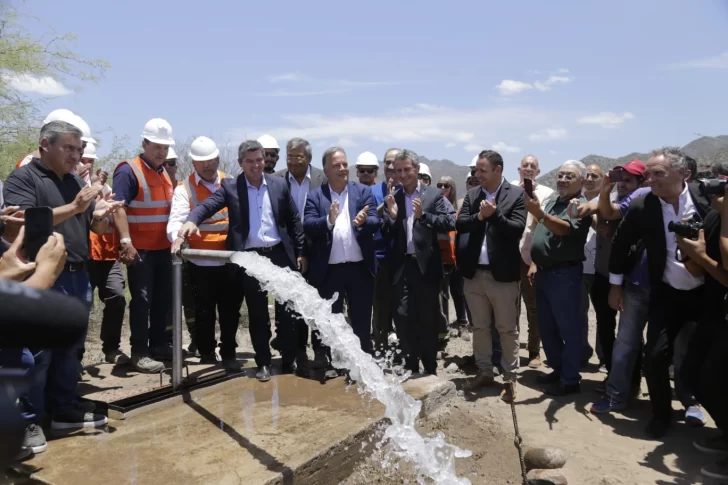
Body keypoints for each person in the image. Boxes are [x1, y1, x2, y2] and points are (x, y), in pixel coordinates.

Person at [3, 120, 118, 431]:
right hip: (42, 275)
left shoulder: (74, 182)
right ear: (45, 144)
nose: (76, 156)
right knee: (38, 353)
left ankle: (63, 408)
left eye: (79, 150)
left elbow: (91, 228)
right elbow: (20, 223)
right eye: (68, 148)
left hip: (78, 274)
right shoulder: (23, 178)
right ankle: (30, 420)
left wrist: (99, 217)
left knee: (70, 349)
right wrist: (75, 206)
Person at [178, 140, 307, 382]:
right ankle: (264, 363)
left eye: (259, 159)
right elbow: (207, 206)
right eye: (250, 161)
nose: (256, 165)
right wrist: (191, 220)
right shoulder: (231, 187)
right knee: (258, 313)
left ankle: (289, 360)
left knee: (287, 310)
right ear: (241, 164)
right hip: (251, 259)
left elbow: (293, 220)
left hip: (279, 254)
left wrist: (300, 252)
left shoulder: (279, 184)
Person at [608, 147, 711, 438]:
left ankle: (693, 404)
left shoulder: (708, 200)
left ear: (684, 175)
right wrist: (616, 286)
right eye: (648, 174)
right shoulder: (645, 205)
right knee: (654, 356)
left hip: (707, 295)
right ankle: (661, 414)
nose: (649, 180)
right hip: (666, 294)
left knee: (698, 357)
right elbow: (620, 242)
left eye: (658, 174)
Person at [456, 150, 526, 402]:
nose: (477, 175)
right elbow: (461, 223)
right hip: (474, 275)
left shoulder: (517, 195)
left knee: (507, 329)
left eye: (482, 170)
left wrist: (494, 216)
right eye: (476, 170)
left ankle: (510, 378)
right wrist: (479, 216)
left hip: (503, 276)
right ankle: (485, 371)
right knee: (480, 327)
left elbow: (516, 229)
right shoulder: (473, 195)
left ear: (498, 170)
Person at [168, 137, 241, 373]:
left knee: (230, 310)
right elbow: (176, 221)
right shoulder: (184, 189)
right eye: (202, 162)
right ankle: (207, 352)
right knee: (204, 311)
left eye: (211, 161)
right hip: (201, 261)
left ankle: (229, 352)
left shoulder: (230, 184)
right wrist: (178, 237)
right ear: (193, 163)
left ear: (218, 159)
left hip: (229, 260)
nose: (207, 166)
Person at [112, 118, 176, 373]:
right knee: (142, 300)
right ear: (144, 143)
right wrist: (126, 242)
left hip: (163, 249)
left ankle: (158, 344)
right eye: (157, 146)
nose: (162, 152)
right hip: (141, 251)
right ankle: (139, 352)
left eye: (165, 148)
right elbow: (118, 209)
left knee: (163, 299)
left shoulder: (163, 173)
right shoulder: (128, 170)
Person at [303, 147, 379, 364]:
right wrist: (328, 220)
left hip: (359, 269)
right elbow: (308, 225)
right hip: (329, 271)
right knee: (329, 320)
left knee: (361, 320)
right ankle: (327, 361)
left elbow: (375, 220)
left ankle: (362, 363)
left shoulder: (362, 192)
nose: (343, 169)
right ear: (326, 170)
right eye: (337, 165)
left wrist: (365, 222)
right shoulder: (316, 196)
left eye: (345, 164)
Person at [674, 176, 728, 480]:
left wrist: (701, 256)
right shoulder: (712, 216)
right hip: (712, 309)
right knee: (694, 374)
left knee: (715, 378)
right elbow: (698, 265)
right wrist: (687, 249)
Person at [384, 149, 454, 375]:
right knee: (403, 316)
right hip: (401, 266)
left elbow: (448, 222)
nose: (403, 174)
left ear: (416, 169)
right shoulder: (393, 196)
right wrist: (393, 217)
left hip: (425, 267)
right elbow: (388, 232)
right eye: (398, 170)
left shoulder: (433, 195)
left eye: (407, 170)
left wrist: (425, 216)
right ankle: (411, 364)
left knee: (428, 316)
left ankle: (430, 366)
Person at [525, 160, 592, 396]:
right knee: (547, 327)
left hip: (564, 275)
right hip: (543, 273)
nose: (562, 179)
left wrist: (539, 214)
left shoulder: (580, 205)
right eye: (561, 175)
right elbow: (541, 235)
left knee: (568, 329)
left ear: (582, 182)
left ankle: (570, 380)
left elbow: (564, 229)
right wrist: (534, 262)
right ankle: (559, 370)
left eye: (569, 177)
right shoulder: (554, 199)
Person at [85, 143, 129, 366]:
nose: (87, 164)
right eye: (84, 159)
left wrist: (124, 242)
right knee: (82, 306)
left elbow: (115, 215)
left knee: (117, 297)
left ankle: (111, 348)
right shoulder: (68, 186)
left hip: (107, 256)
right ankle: (75, 357)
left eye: (91, 160)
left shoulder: (106, 189)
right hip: (83, 258)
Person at [510, 154, 554, 368]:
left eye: (532, 166)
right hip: (508, 257)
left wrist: (536, 261)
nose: (528, 168)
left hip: (530, 257)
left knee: (534, 307)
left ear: (538, 171)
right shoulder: (508, 190)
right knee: (510, 307)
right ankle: (511, 352)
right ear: (518, 169)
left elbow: (543, 226)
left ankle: (534, 352)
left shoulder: (546, 193)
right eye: (524, 165)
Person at [370, 149, 400, 354]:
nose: (390, 167)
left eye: (394, 163)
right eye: (387, 163)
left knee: (401, 307)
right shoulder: (372, 192)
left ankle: (405, 351)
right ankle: (380, 348)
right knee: (379, 307)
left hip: (403, 259)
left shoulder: (410, 192)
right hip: (379, 257)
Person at [436, 176, 468, 329]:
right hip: (443, 256)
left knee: (459, 292)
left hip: (458, 256)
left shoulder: (461, 206)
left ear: (452, 188)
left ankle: (462, 323)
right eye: (439, 185)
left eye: (446, 186)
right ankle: (444, 327)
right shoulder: (437, 205)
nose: (442, 188)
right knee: (443, 295)